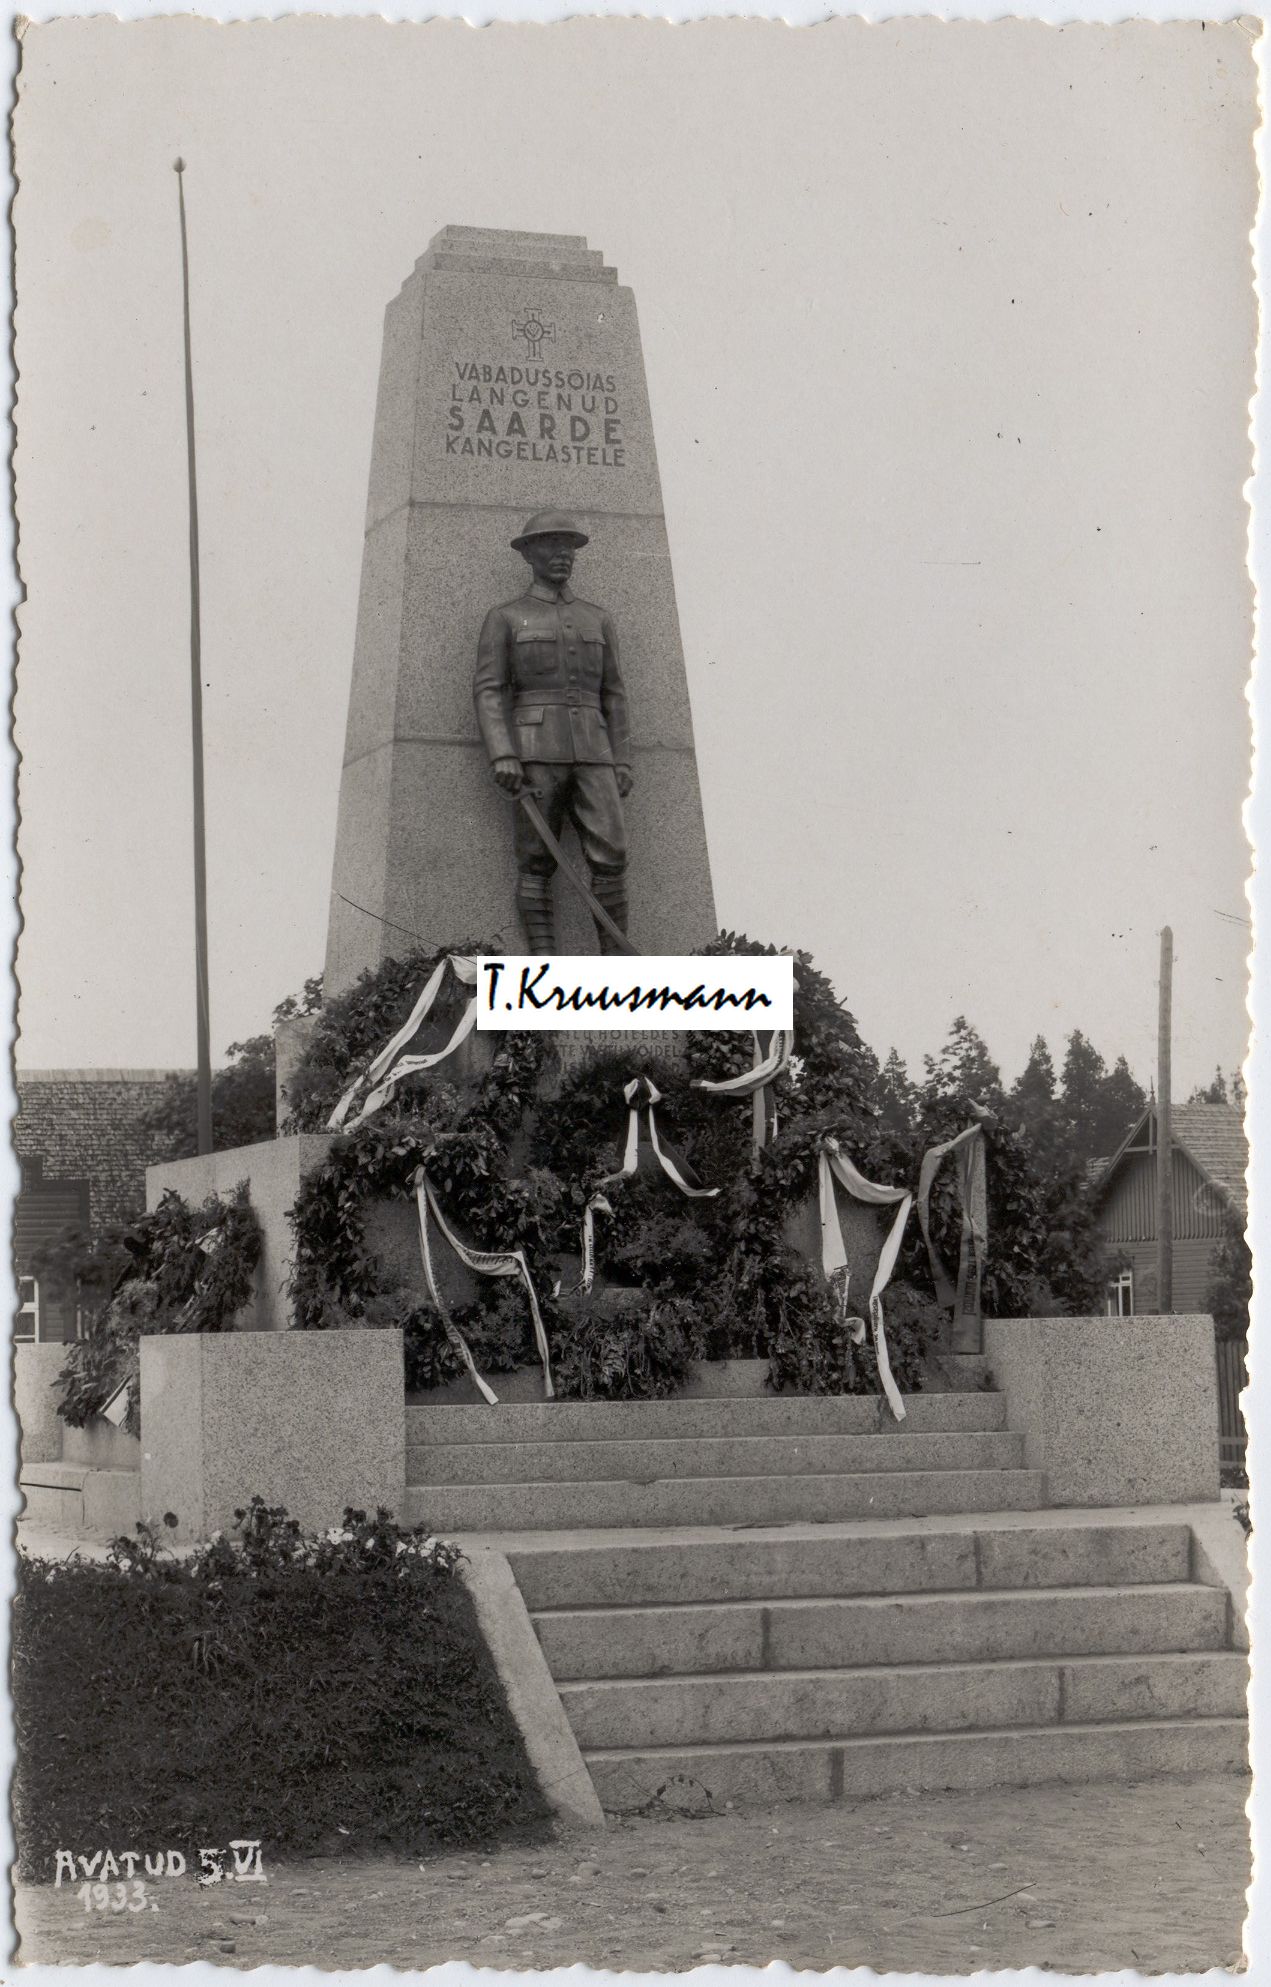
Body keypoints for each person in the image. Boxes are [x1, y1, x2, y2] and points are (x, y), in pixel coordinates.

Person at [473, 510, 633, 951]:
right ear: (528, 553)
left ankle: (618, 969)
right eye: (551, 544)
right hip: (533, 751)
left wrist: (621, 759)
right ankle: (544, 966)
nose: (563, 553)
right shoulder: (506, 617)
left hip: (596, 752)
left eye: (569, 546)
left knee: (613, 853)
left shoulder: (597, 618)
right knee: (536, 858)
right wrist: (502, 752)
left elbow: (614, 692)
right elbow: (489, 689)